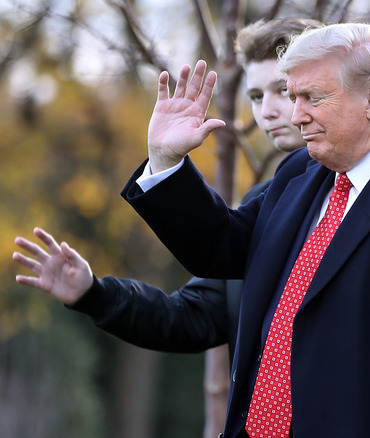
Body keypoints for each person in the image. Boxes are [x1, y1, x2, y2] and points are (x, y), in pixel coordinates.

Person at [120, 22, 370, 438]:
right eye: (294, 97)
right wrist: (165, 161)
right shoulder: (300, 171)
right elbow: (223, 247)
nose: (296, 115)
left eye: (312, 98)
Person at [12, 17, 323, 363]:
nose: (266, 111)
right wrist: (93, 293)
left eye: (282, 90)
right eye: (255, 95)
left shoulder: (361, 190)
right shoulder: (261, 204)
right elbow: (192, 316)